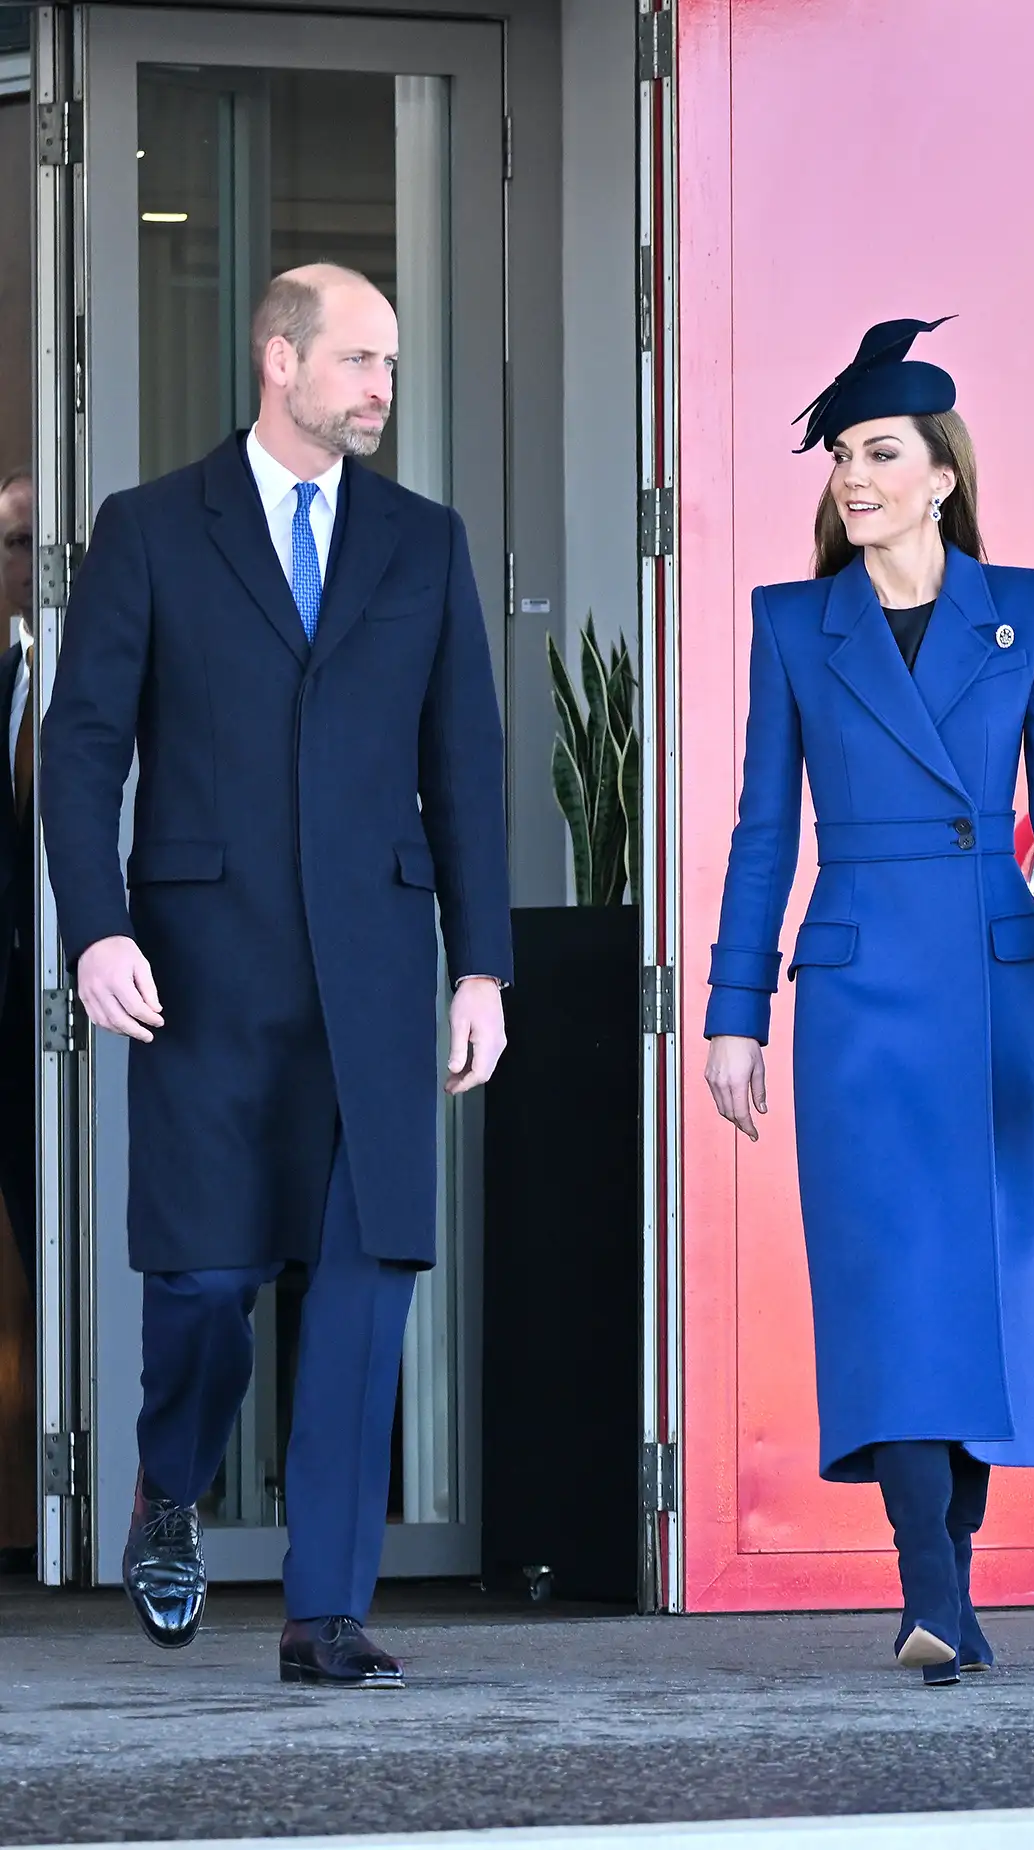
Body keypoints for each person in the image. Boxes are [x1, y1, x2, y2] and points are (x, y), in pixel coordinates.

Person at [40, 264, 512, 1686]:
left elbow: (466, 770)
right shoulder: (149, 531)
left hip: (376, 971)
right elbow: (81, 747)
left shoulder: (424, 545)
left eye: (390, 362)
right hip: (199, 968)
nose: (381, 386)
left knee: (369, 1282)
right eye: (359, 360)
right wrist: (96, 923)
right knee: (203, 1279)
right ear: (278, 358)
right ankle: (168, 1483)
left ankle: (326, 1612)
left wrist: (482, 965)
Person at [703, 318, 1034, 1686]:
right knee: (892, 1286)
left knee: (986, 1291)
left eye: (881, 452)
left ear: (942, 471)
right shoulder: (795, 622)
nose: (855, 475)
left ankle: (945, 1574)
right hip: (859, 1002)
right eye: (842, 453)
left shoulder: (1028, 609)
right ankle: (933, 1585)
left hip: (1002, 987)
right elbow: (762, 830)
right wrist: (735, 1008)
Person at [0, 469, 37, 1301]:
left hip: (105, 1010)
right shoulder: (4, 684)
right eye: (12, 544)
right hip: (12, 1020)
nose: (32, 558)